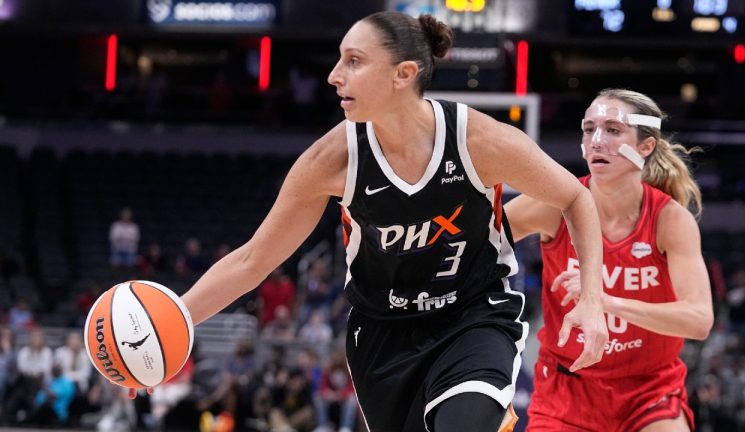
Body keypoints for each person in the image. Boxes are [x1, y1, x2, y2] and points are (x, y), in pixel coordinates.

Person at [130, 12, 608, 432]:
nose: (334, 75)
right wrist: (171, 325)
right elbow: (253, 260)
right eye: (339, 60)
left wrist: (592, 298)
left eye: (354, 61)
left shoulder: (479, 141)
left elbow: (575, 197)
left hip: (473, 314)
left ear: (403, 74)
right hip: (383, 333)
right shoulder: (332, 160)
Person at [504, 88, 714, 431]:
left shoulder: (669, 220)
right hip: (567, 389)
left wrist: (603, 300)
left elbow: (699, 320)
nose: (597, 141)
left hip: (648, 391)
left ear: (646, 146)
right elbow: (472, 242)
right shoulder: (554, 203)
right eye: (589, 129)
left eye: (613, 130)